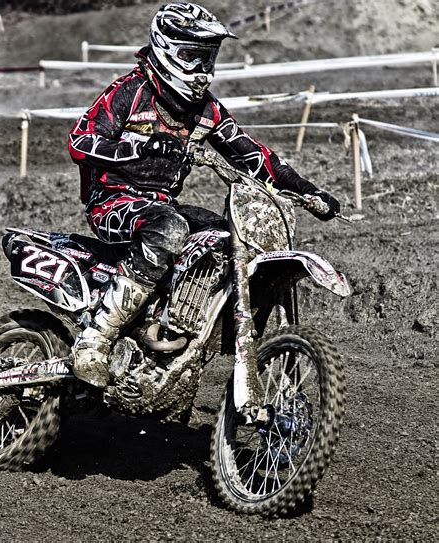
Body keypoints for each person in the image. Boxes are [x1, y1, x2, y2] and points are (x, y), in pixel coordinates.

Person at [68, 2, 340, 388]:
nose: (202, 70)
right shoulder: (129, 92)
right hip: (113, 202)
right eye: (192, 57)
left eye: (207, 58)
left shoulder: (206, 110)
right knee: (168, 229)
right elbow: (79, 142)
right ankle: (94, 342)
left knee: (221, 237)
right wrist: (139, 149)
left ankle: (175, 326)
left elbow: (254, 155)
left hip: (160, 205)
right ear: (166, 50)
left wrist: (309, 191)